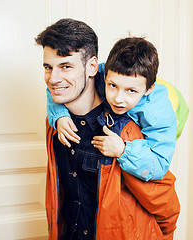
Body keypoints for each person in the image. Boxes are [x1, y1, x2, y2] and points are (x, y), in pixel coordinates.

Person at [35, 18, 180, 240]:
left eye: (65, 66)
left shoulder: (128, 130)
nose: (53, 79)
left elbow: (164, 203)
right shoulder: (54, 123)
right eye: (48, 67)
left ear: (93, 67)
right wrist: (59, 116)